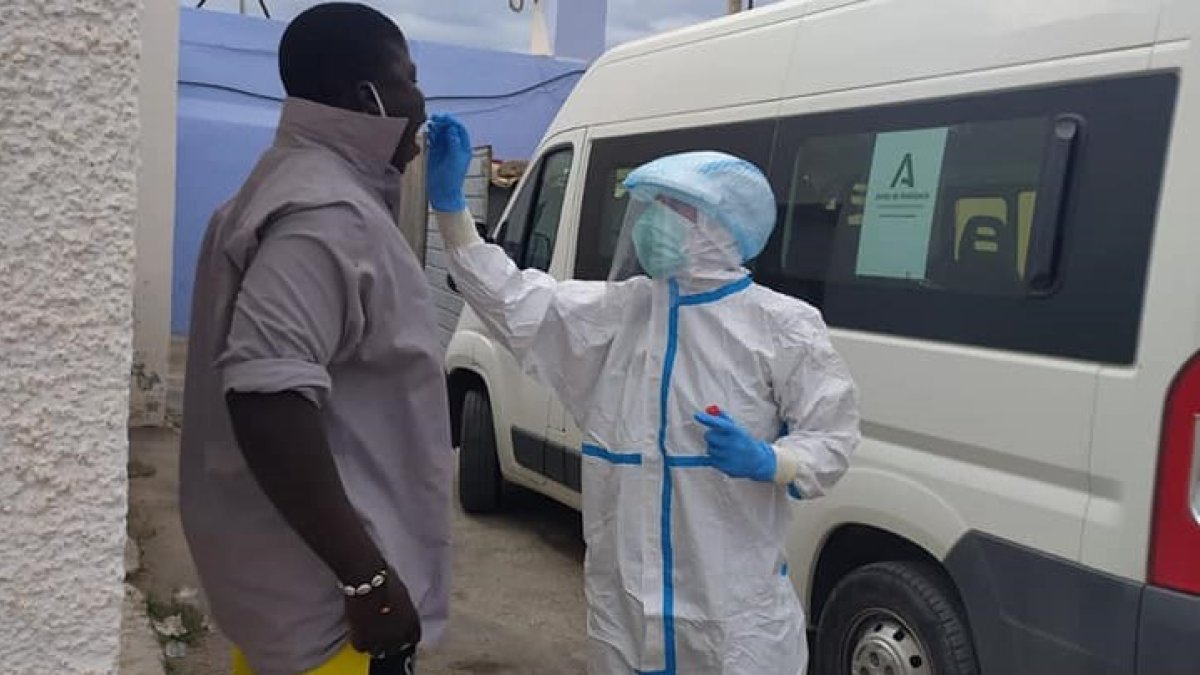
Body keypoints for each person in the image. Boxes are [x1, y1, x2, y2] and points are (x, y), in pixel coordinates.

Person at [426, 115, 861, 674]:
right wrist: (452, 212)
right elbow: (514, 301)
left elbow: (834, 436)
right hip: (624, 611)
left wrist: (771, 460)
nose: (650, 225)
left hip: (731, 622)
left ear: (721, 226)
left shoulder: (782, 325)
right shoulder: (622, 311)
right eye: (649, 209)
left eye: (672, 211)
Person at [179, 4, 450, 674]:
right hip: (337, 622)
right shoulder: (328, 211)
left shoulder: (283, 187)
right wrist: (367, 581)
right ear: (370, 97)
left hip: (292, 595)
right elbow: (266, 396)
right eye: (411, 79)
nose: (422, 101)